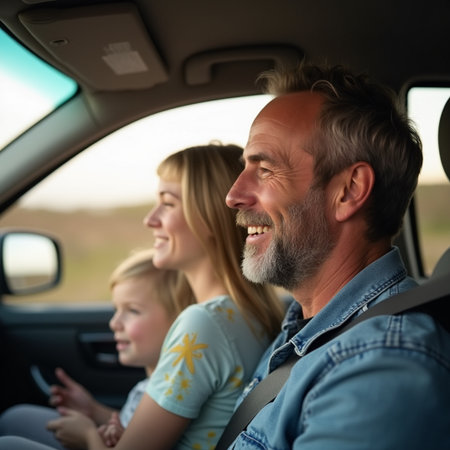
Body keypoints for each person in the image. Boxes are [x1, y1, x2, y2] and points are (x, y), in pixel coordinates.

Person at [222, 62, 450, 448]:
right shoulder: (308, 329)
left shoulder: (381, 365)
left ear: (348, 191)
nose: (233, 195)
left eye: (265, 169)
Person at [25, 143, 284, 450]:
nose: (150, 219)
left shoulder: (204, 324)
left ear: (209, 216)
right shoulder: (248, 313)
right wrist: (95, 413)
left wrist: (88, 436)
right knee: (19, 419)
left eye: (168, 204)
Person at [0, 248, 186, 448]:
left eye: (132, 310)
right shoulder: (149, 386)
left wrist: (89, 437)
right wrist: (94, 411)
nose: (115, 323)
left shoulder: (170, 392)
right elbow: (132, 428)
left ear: (180, 322)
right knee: (14, 417)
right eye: (116, 309)